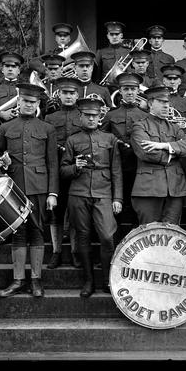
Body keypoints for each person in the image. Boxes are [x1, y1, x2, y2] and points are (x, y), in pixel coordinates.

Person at [0, 83, 59, 298]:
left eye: (33, 102)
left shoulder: (47, 128)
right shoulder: (6, 128)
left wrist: (52, 193)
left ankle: (36, 280)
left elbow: (52, 163)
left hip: (39, 187)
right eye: (25, 101)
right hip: (13, 187)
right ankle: (18, 280)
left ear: (38, 103)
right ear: (19, 102)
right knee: (17, 232)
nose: (29, 105)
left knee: (37, 230)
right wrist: (1, 162)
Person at [60, 98, 123, 297]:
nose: (91, 119)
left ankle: (107, 280)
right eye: (87, 116)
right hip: (78, 193)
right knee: (83, 237)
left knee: (107, 237)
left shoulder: (109, 139)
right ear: (81, 117)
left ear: (100, 117)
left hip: (103, 192)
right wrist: (75, 168)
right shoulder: (72, 140)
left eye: (95, 116)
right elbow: (63, 171)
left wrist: (118, 198)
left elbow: (117, 171)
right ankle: (89, 282)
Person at [130, 86, 186, 225]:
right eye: (161, 102)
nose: (166, 105)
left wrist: (166, 146)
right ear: (150, 103)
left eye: (167, 102)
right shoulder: (139, 126)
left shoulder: (175, 127)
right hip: (149, 189)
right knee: (149, 236)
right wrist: (175, 154)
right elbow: (147, 153)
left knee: (171, 236)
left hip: (175, 189)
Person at [43, 77, 84, 269]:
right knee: (56, 214)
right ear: (59, 94)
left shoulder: (84, 116)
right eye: (65, 93)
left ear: (78, 95)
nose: (68, 96)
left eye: (72, 93)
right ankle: (56, 251)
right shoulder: (51, 118)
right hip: (56, 171)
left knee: (75, 214)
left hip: (77, 171)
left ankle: (76, 252)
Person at [100, 72, 148, 225]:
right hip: (116, 166)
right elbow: (102, 139)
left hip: (139, 166)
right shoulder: (110, 115)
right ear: (120, 91)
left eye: (133, 89)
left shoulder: (145, 115)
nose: (129, 92)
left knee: (137, 204)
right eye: (126, 89)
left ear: (138, 91)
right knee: (117, 204)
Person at [94, 21, 130, 85]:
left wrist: (126, 69)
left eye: (117, 34)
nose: (114, 37)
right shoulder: (101, 52)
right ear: (108, 36)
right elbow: (96, 74)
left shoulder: (129, 52)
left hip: (124, 85)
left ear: (121, 35)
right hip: (106, 87)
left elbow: (134, 71)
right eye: (111, 34)